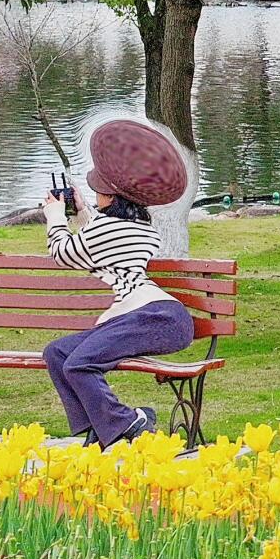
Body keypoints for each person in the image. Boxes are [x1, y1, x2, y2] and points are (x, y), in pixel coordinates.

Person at [41, 119, 194, 449]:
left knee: (80, 364)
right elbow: (102, 251)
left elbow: (64, 253)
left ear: (110, 196)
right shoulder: (136, 228)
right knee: (57, 352)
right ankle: (102, 425)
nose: (96, 194)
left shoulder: (109, 230)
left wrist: (54, 217)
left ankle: (131, 421)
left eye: (99, 190)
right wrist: (82, 213)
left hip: (156, 317)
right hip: (155, 317)